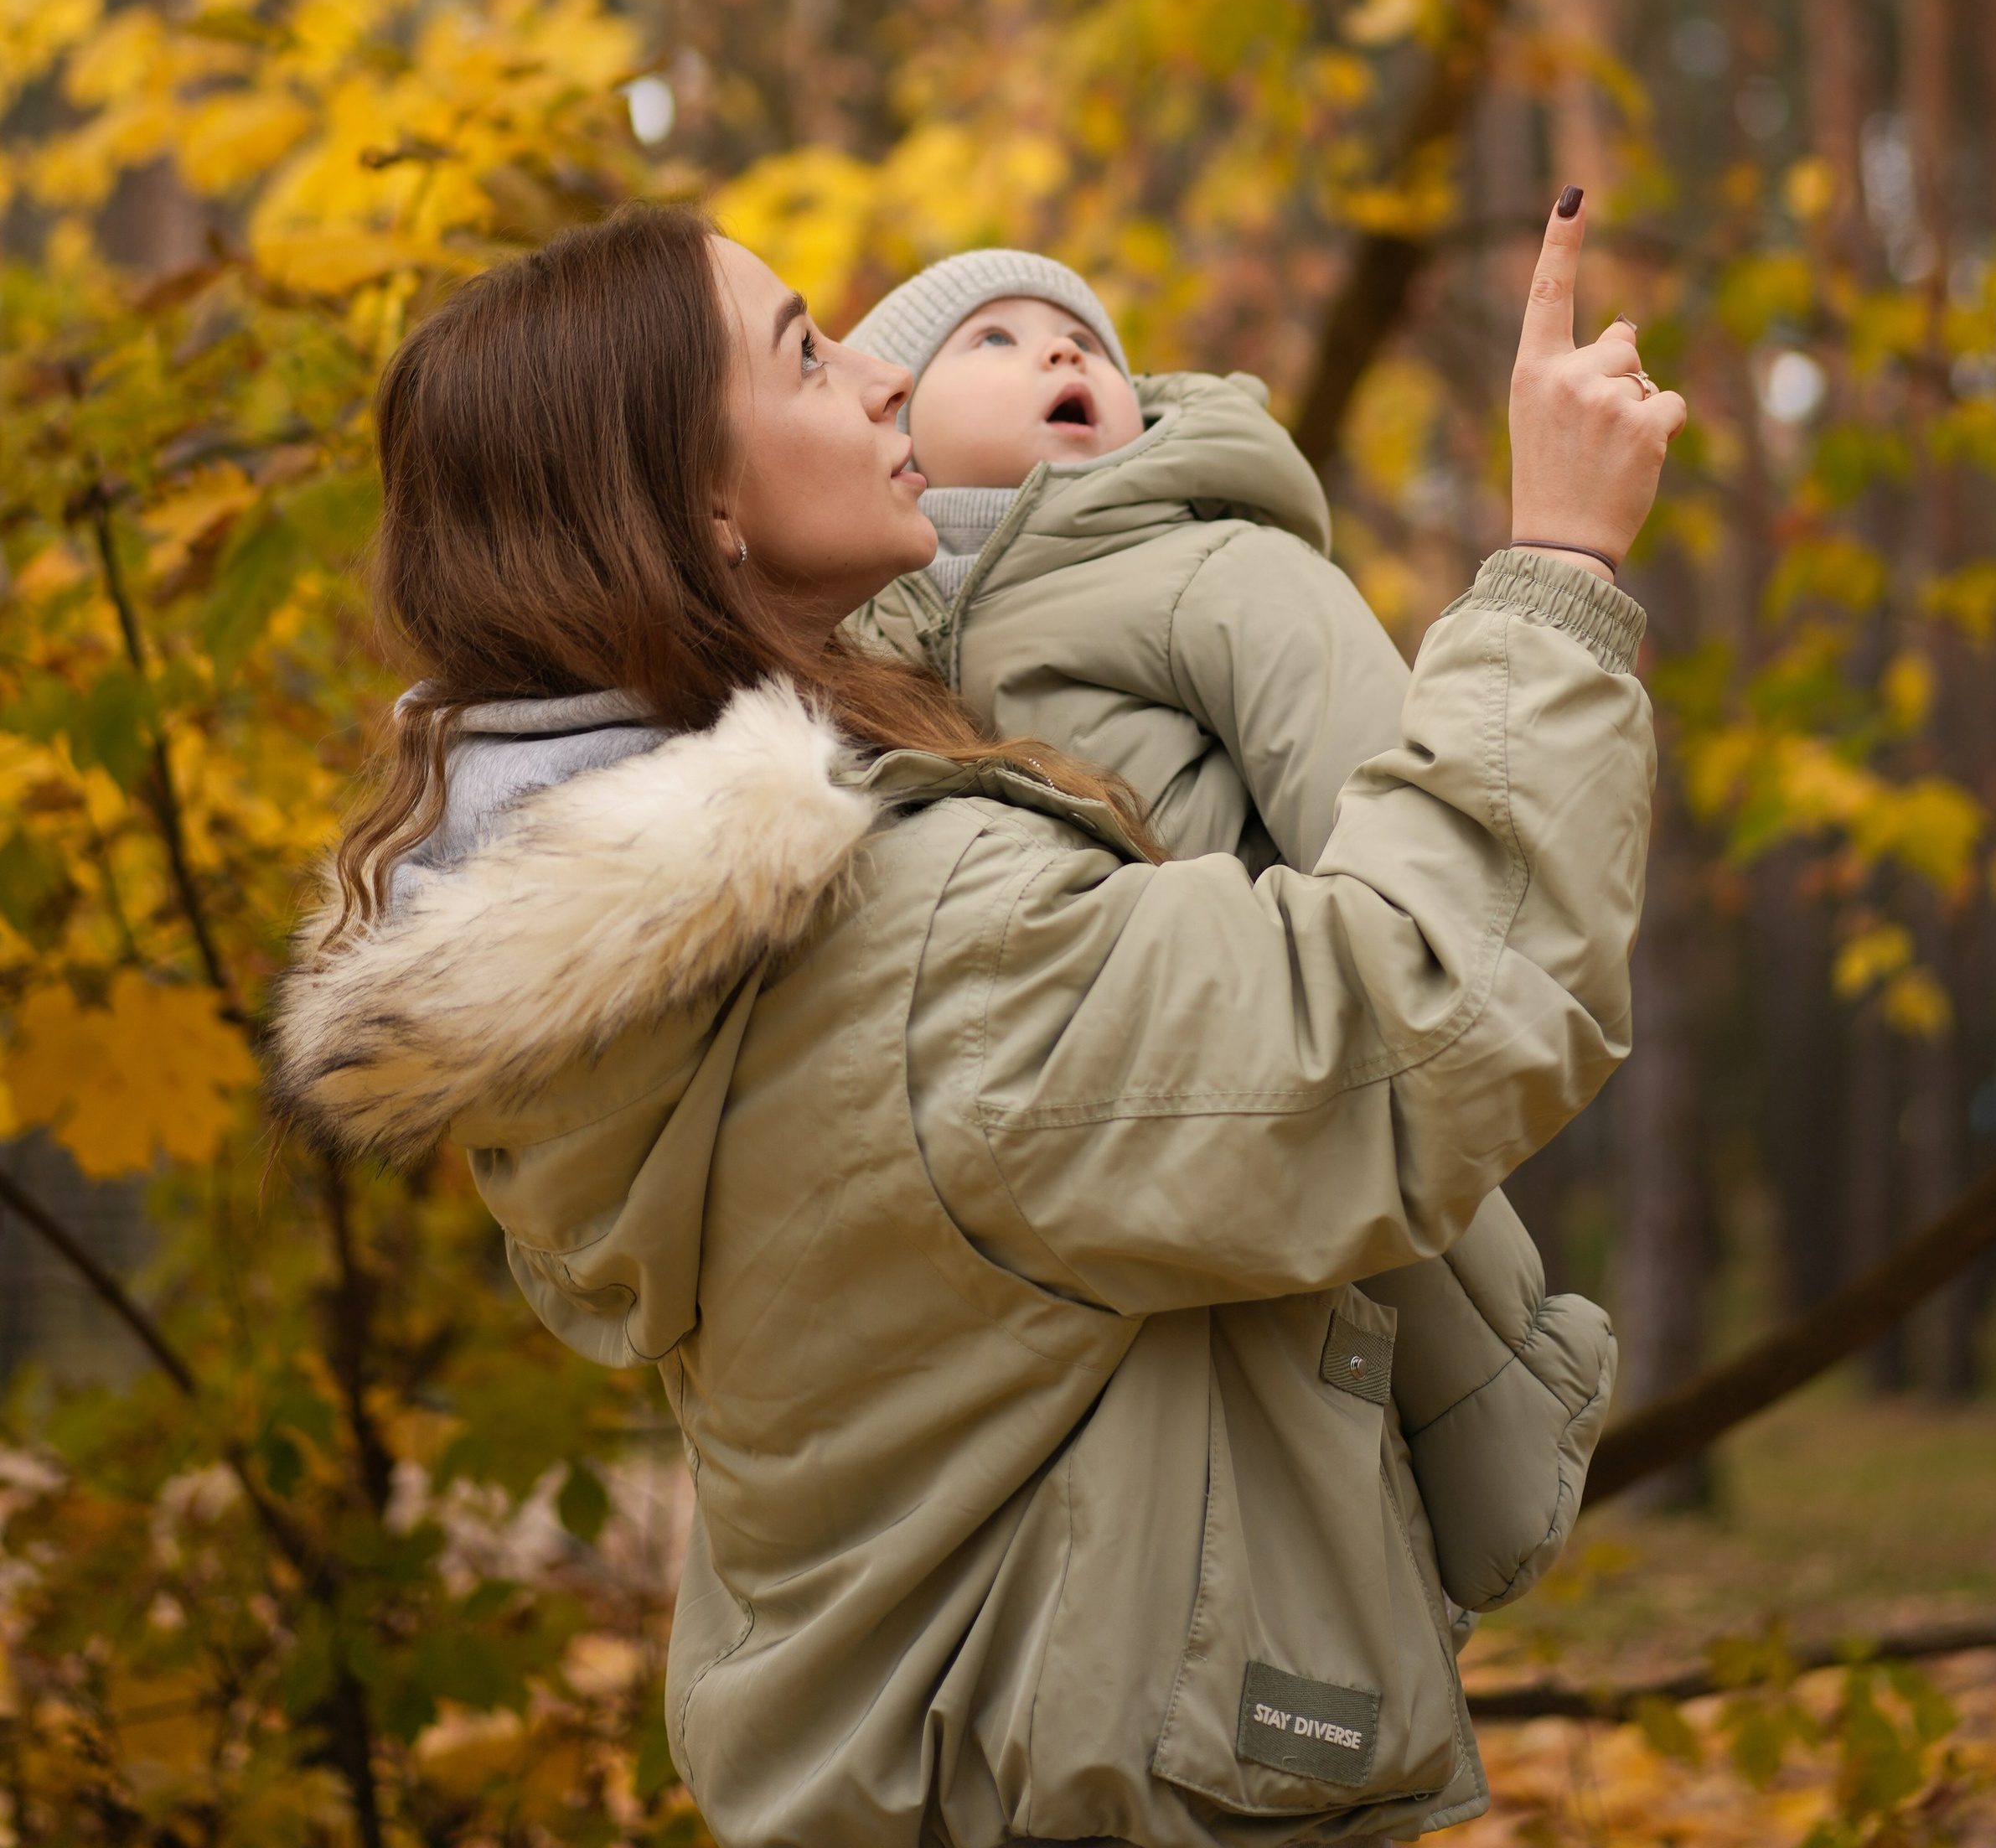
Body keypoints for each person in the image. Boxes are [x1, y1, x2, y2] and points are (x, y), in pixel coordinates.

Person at [274, 191, 1681, 1848]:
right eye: (807, 356)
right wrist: (1557, 567)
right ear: (704, 505)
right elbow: (1420, 1015)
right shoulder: (922, 952)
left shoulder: (659, 961)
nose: (883, 373)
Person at [841, 250, 1621, 1621]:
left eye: (1086, 339)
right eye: (994, 338)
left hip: (1264, 1076)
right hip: (1056, 1210)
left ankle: (1494, 1426)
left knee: (1378, 1390)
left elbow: (1392, 824)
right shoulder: (864, 657)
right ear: (888, 421)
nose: (1063, 355)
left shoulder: (1210, 566)